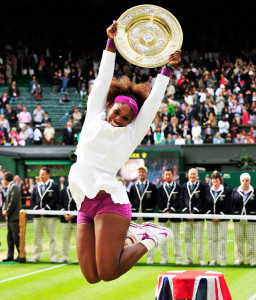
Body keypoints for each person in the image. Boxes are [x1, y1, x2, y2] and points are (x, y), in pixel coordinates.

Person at [68, 21, 180, 283]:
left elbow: (152, 104)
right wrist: (111, 43)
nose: (119, 118)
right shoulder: (94, 115)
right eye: (117, 112)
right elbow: (103, 79)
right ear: (110, 106)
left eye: (126, 117)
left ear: (132, 121)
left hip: (110, 201)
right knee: (91, 277)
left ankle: (152, 236)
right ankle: (131, 234)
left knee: (108, 273)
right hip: (84, 201)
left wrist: (167, 70)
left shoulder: (131, 133)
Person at [128, 166, 158, 264]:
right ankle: (135, 259)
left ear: (146, 174)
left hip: (148, 216)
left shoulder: (152, 186)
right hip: (136, 216)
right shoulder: (133, 186)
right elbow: (131, 200)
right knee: (136, 238)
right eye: (140, 172)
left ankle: (150, 259)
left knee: (150, 238)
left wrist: (148, 208)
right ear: (138, 174)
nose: (141, 173)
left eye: (143, 172)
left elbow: (154, 201)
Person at [30, 167, 60, 262]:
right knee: (37, 237)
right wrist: (37, 210)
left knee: (52, 237)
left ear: (48, 175)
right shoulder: (36, 186)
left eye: (42, 174)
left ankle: (53, 258)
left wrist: (45, 209)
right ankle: (35, 257)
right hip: (37, 216)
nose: (41, 176)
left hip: (49, 216)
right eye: (40, 174)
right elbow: (32, 200)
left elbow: (56, 199)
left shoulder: (54, 186)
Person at [204, 171, 232, 266]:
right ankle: (212, 260)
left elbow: (228, 205)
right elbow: (206, 205)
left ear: (220, 180)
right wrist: (211, 215)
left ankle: (222, 261)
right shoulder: (207, 190)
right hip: (210, 219)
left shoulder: (227, 190)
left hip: (222, 219)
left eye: (217, 179)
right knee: (211, 239)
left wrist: (219, 216)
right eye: (213, 179)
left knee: (222, 239)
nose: (215, 181)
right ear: (211, 180)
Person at [180, 168, 206, 265]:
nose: (192, 176)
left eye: (194, 174)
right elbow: (181, 200)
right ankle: (188, 259)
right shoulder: (183, 186)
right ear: (188, 175)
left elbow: (202, 200)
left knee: (199, 239)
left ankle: (201, 260)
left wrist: (194, 212)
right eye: (191, 174)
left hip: (198, 217)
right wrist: (186, 212)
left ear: (197, 175)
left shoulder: (202, 186)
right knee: (187, 239)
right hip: (186, 218)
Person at [157, 168, 183, 265]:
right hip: (163, 216)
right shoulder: (160, 189)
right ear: (164, 176)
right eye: (166, 175)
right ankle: (164, 259)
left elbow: (179, 200)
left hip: (175, 216)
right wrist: (165, 211)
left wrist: (171, 211)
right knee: (162, 238)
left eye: (169, 174)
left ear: (173, 175)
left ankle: (178, 259)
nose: (167, 176)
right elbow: (158, 201)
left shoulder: (179, 188)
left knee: (176, 238)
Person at [231, 173, 256, 266]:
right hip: (238, 220)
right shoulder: (235, 191)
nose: (245, 182)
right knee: (238, 240)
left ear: (249, 181)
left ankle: (252, 260)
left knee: (251, 241)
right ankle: (239, 260)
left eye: (247, 180)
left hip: (251, 220)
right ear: (240, 181)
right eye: (243, 180)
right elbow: (232, 204)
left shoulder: (254, 191)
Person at [2, 171, 22, 262]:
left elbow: (13, 201)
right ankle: (10, 256)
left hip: (15, 217)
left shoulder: (14, 187)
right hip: (10, 217)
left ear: (6, 179)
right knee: (9, 237)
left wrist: (7, 211)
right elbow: (6, 202)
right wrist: (4, 210)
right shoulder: (10, 187)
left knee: (16, 237)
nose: (2, 181)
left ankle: (21, 255)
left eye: (3, 179)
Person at [58, 183, 77, 263]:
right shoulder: (63, 191)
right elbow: (60, 203)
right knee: (65, 239)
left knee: (79, 240)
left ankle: (81, 259)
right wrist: (65, 214)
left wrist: (73, 215)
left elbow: (82, 204)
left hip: (77, 220)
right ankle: (64, 257)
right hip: (65, 220)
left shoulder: (81, 190)